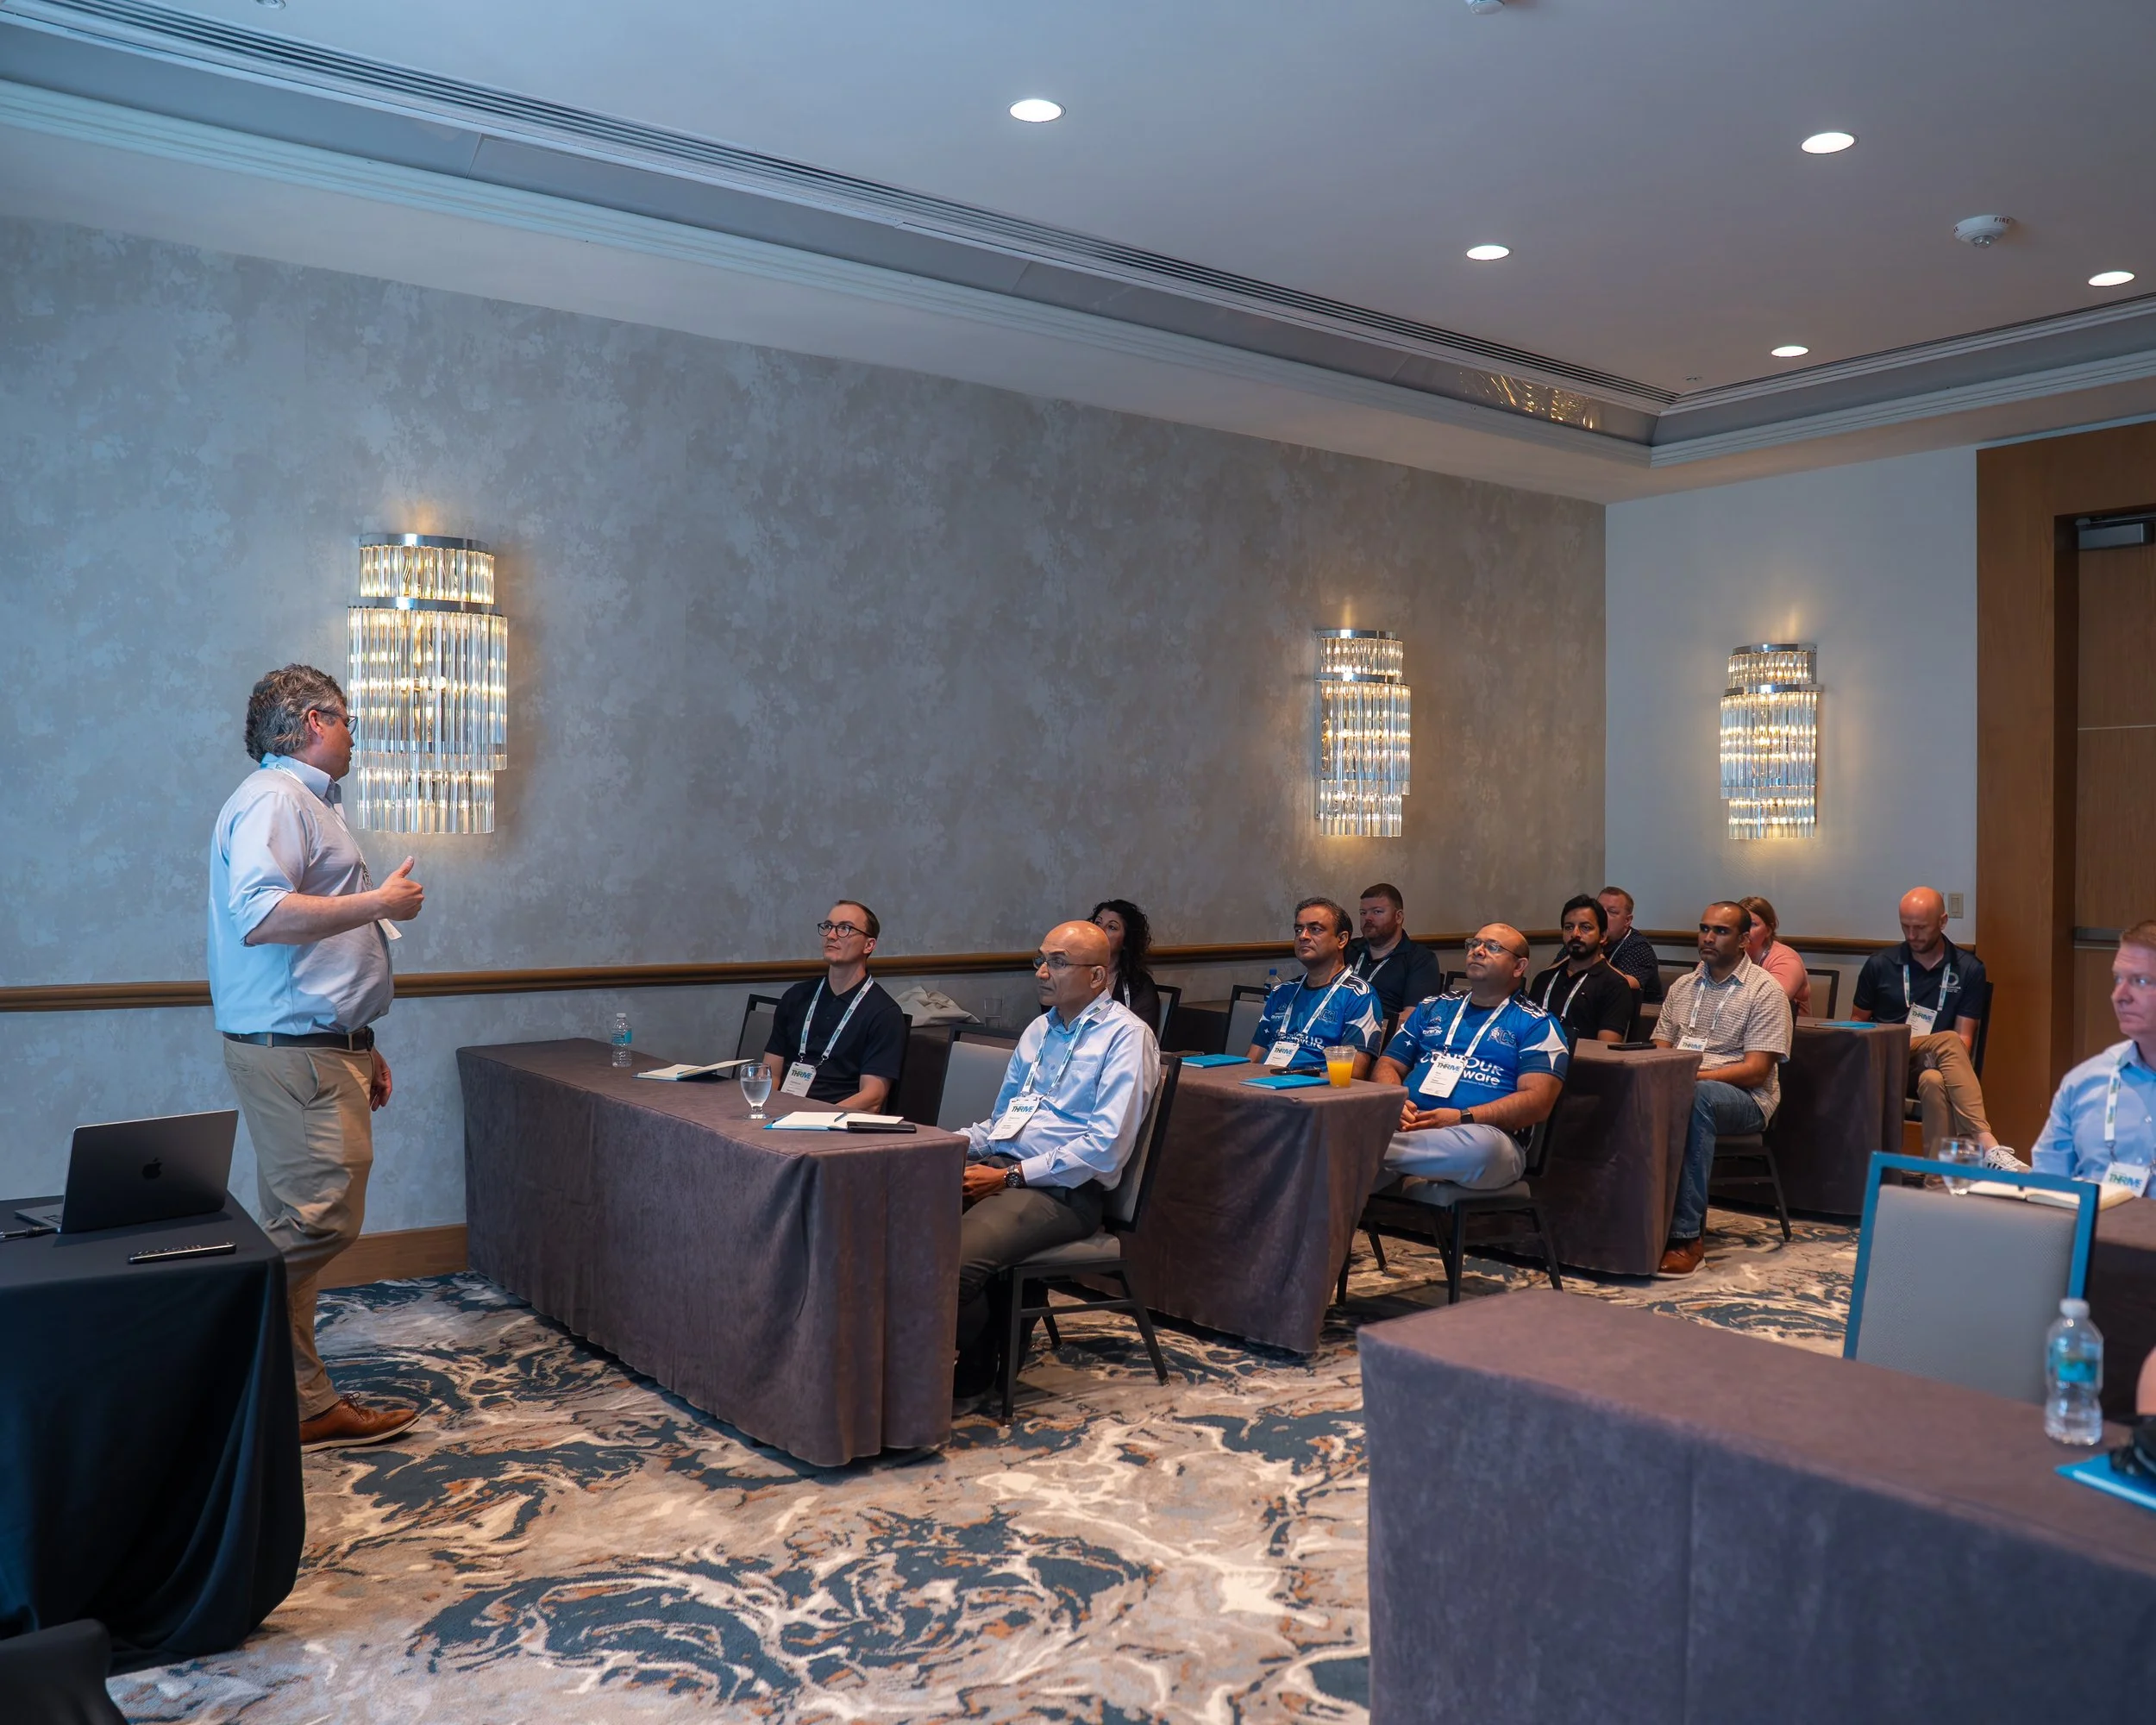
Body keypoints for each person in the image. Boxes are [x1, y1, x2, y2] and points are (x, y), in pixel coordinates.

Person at [209, 665, 424, 1451]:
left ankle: (298, 1402)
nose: (356, 732)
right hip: (295, 1055)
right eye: (348, 719)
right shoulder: (276, 799)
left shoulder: (302, 803)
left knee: (295, 1222)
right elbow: (262, 916)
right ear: (311, 719)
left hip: (319, 1049)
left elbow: (318, 953)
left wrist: (362, 1042)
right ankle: (213, 1334)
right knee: (320, 1221)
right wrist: (381, 904)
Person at [954, 920, 1159, 1400]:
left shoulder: (1126, 1038)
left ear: (1096, 977)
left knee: (951, 1264)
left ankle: (960, 1362)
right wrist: (941, 1146)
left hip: (1064, 1191)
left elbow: (1104, 1147)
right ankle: (988, 1348)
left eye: (1059, 962)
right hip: (1006, 1171)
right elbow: (1001, 1122)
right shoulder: (1039, 1030)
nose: (1042, 972)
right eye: (1040, 960)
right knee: (901, 1234)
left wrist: (1008, 1176)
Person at [1651, 901, 1794, 1279]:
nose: (1708, 937)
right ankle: (1636, 1224)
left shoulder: (1765, 992)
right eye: (1704, 929)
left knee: (1698, 1100)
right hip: (1681, 1085)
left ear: (1745, 939)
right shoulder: (1683, 986)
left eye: (1721, 931)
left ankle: (1686, 1240)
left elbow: (1756, 1071)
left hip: (1745, 1099)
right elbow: (1660, 1048)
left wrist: (1688, 1079)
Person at [1374, 924, 1568, 1192]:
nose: (1478, 951)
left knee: (1480, 1151)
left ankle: (1365, 1149)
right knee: (1337, 1173)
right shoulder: (1433, 1007)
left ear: (1519, 967)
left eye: (1493, 947)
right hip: (1408, 1127)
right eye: (1474, 944)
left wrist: (1463, 1117)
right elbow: (1388, 1064)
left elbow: (1538, 1101)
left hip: (1484, 1136)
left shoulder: (1537, 1024)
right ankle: (1371, 1153)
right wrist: (1396, 1102)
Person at [1850, 887, 2003, 1157]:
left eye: (1920, 928)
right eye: (1905, 927)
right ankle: (1986, 1141)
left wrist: (1935, 1053)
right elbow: (1856, 1023)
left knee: (1934, 1080)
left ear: (1943, 922)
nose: (1912, 936)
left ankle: (1938, 1182)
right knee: (1950, 1039)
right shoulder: (1880, 964)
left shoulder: (1968, 969)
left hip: (1933, 1063)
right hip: (1885, 1059)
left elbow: (1965, 1041)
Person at [2033, 920, 2156, 1184]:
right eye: (2118, 979)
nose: (2119, 995)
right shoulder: (2084, 1083)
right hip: (2096, 1224)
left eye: (2141, 981)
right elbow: (2045, 1192)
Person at [761, 901, 909, 1108]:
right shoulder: (797, 997)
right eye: (828, 927)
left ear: (869, 945)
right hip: (780, 1115)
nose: (831, 935)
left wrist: (817, 1118)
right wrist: (763, 1109)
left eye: (845, 929)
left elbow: (873, 1097)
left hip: (835, 1124)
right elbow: (770, 1073)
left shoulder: (883, 1013)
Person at [1246, 898, 1384, 1077]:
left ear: (1341, 940)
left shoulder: (1359, 996)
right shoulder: (1282, 992)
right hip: (1264, 1086)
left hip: (1312, 1093)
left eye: (1315, 929)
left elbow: (1352, 1074)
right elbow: (1252, 1059)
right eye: (1298, 929)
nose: (1303, 936)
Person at [1527, 895, 1634, 1045]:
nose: (1575, 934)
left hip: (1583, 1065)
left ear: (1603, 936)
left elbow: (1606, 1049)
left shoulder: (1615, 984)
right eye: (1569, 927)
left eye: (1585, 927)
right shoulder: (1544, 978)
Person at [1343, 882, 1444, 1022]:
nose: (1368, 918)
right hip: (1335, 1031)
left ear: (1398, 917)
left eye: (1377, 911)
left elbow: (1412, 1017)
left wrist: (1364, 1030)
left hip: (1384, 1037)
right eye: (1363, 913)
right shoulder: (1349, 949)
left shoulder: (1420, 959)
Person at [1091, 899, 1163, 1034]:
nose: (1100, 930)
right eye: (1098, 923)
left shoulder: (1138, 984)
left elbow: (1140, 1037)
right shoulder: (1071, 974)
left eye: (1111, 927)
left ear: (1125, 941)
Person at [1739, 895, 1811, 1017]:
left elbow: (1770, 1003)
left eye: (1752, 924)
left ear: (1768, 930)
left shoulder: (1786, 960)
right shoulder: (1725, 955)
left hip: (1791, 1032)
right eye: (1740, 924)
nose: (1744, 931)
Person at [1598, 886, 1664, 1005]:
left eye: (1612, 912)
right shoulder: (1583, 938)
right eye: (1598, 910)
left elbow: (1624, 986)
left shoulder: (1638, 946)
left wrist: (1594, 957)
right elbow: (1555, 972)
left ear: (1627, 921)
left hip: (1638, 1016)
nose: (1601, 916)